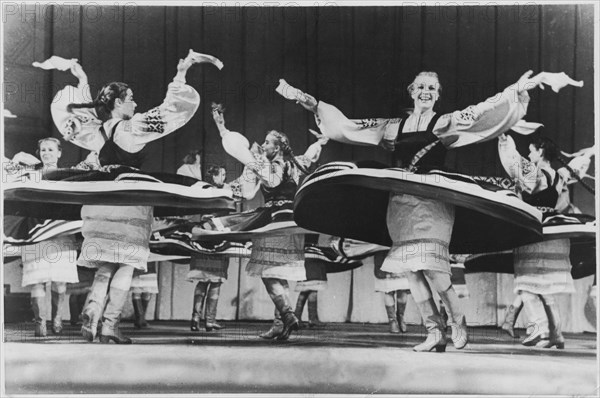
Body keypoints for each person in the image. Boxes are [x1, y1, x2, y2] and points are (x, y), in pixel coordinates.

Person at [284, 70, 576, 352]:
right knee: (412, 272)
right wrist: (312, 103)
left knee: (434, 270)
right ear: (411, 92)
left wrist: (520, 88)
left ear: (438, 96)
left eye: (432, 89)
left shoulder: (445, 122)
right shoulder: (391, 126)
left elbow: (483, 111)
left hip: (433, 204)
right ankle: (434, 332)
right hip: (400, 204)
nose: (426, 92)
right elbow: (349, 127)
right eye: (421, 87)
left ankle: (457, 322)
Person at [51, 51, 209, 344]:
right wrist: (181, 73)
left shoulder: (99, 132)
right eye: (131, 98)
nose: (135, 102)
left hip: (102, 204)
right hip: (129, 204)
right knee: (126, 265)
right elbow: (172, 110)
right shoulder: (131, 128)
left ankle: (92, 314)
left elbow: (74, 120)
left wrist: (82, 80)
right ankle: (110, 325)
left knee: (105, 266)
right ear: (118, 103)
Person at [210, 104, 328, 340]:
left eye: (267, 143)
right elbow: (312, 153)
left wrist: (224, 130)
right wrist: (322, 141)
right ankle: (280, 324)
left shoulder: (272, 165)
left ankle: (288, 315)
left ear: (278, 147)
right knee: (279, 272)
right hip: (292, 223)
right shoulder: (297, 162)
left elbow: (265, 182)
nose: (263, 146)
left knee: (268, 272)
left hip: (274, 222)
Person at [498, 134, 579, 348]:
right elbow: (563, 205)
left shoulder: (538, 174)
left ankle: (541, 331)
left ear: (541, 152)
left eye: (532, 151)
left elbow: (514, 163)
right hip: (552, 231)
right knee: (546, 291)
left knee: (526, 286)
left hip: (535, 232)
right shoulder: (559, 176)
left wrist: (505, 142)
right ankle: (555, 335)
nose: (529, 154)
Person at [17, 138, 79, 336]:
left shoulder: (69, 176)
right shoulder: (30, 175)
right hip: (36, 232)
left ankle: (58, 318)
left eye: (50, 149)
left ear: (59, 153)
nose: (46, 153)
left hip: (61, 232)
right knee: (37, 279)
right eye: (42, 150)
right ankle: (40, 323)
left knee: (60, 280)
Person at [185, 165, 230, 332]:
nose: (224, 178)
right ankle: (207, 321)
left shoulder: (202, 189)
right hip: (215, 235)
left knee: (205, 281)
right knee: (213, 281)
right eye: (222, 174)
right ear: (214, 176)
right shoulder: (220, 190)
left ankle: (197, 319)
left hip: (207, 235)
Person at [372, 250, 411, 333]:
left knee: (402, 288)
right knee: (389, 289)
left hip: (399, 251)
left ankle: (399, 319)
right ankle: (393, 321)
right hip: (387, 252)